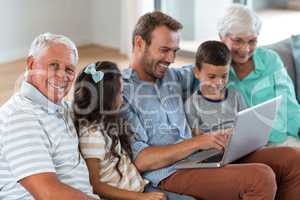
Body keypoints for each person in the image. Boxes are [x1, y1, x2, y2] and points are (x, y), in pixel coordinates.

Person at [122, 10, 300, 200]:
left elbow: (212, 66)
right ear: (139, 43)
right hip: (170, 172)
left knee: (293, 159)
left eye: (175, 51)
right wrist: (198, 141)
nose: (171, 59)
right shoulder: (122, 93)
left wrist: (237, 46)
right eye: (164, 50)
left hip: (205, 156)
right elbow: (141, 160)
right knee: (260, 178)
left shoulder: (173, 77)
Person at [72, 61, 196, 200]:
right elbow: (95, 185)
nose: (123, 98)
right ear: (107, 99)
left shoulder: (107, 123)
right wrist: (140, 197)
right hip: (131, 195)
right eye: (121, 92)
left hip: (140, 187)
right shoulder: (92, 135)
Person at [0, 33, 99, 200]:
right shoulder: (20, 117)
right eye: (53, 65)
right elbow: (49, 194)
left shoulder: (61, 109)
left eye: (69, 69)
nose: (62, 75)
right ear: (31, 64)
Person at [218, 4, 300, 146]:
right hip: (241, 146)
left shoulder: (270, 60)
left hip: (279, 139)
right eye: (237, 41)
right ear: (221, 37)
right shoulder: (213, 68)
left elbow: (289, 105)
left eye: (252, 41)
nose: (245, 49)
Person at [184, 40, 247, 137]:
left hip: (240, 142)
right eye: (212, 77)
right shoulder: (191, 105)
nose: (219, 82)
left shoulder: (235, 95)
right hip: (215, 149)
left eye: (224, 76)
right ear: (197, 72)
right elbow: (198, 139)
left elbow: (246, 123)